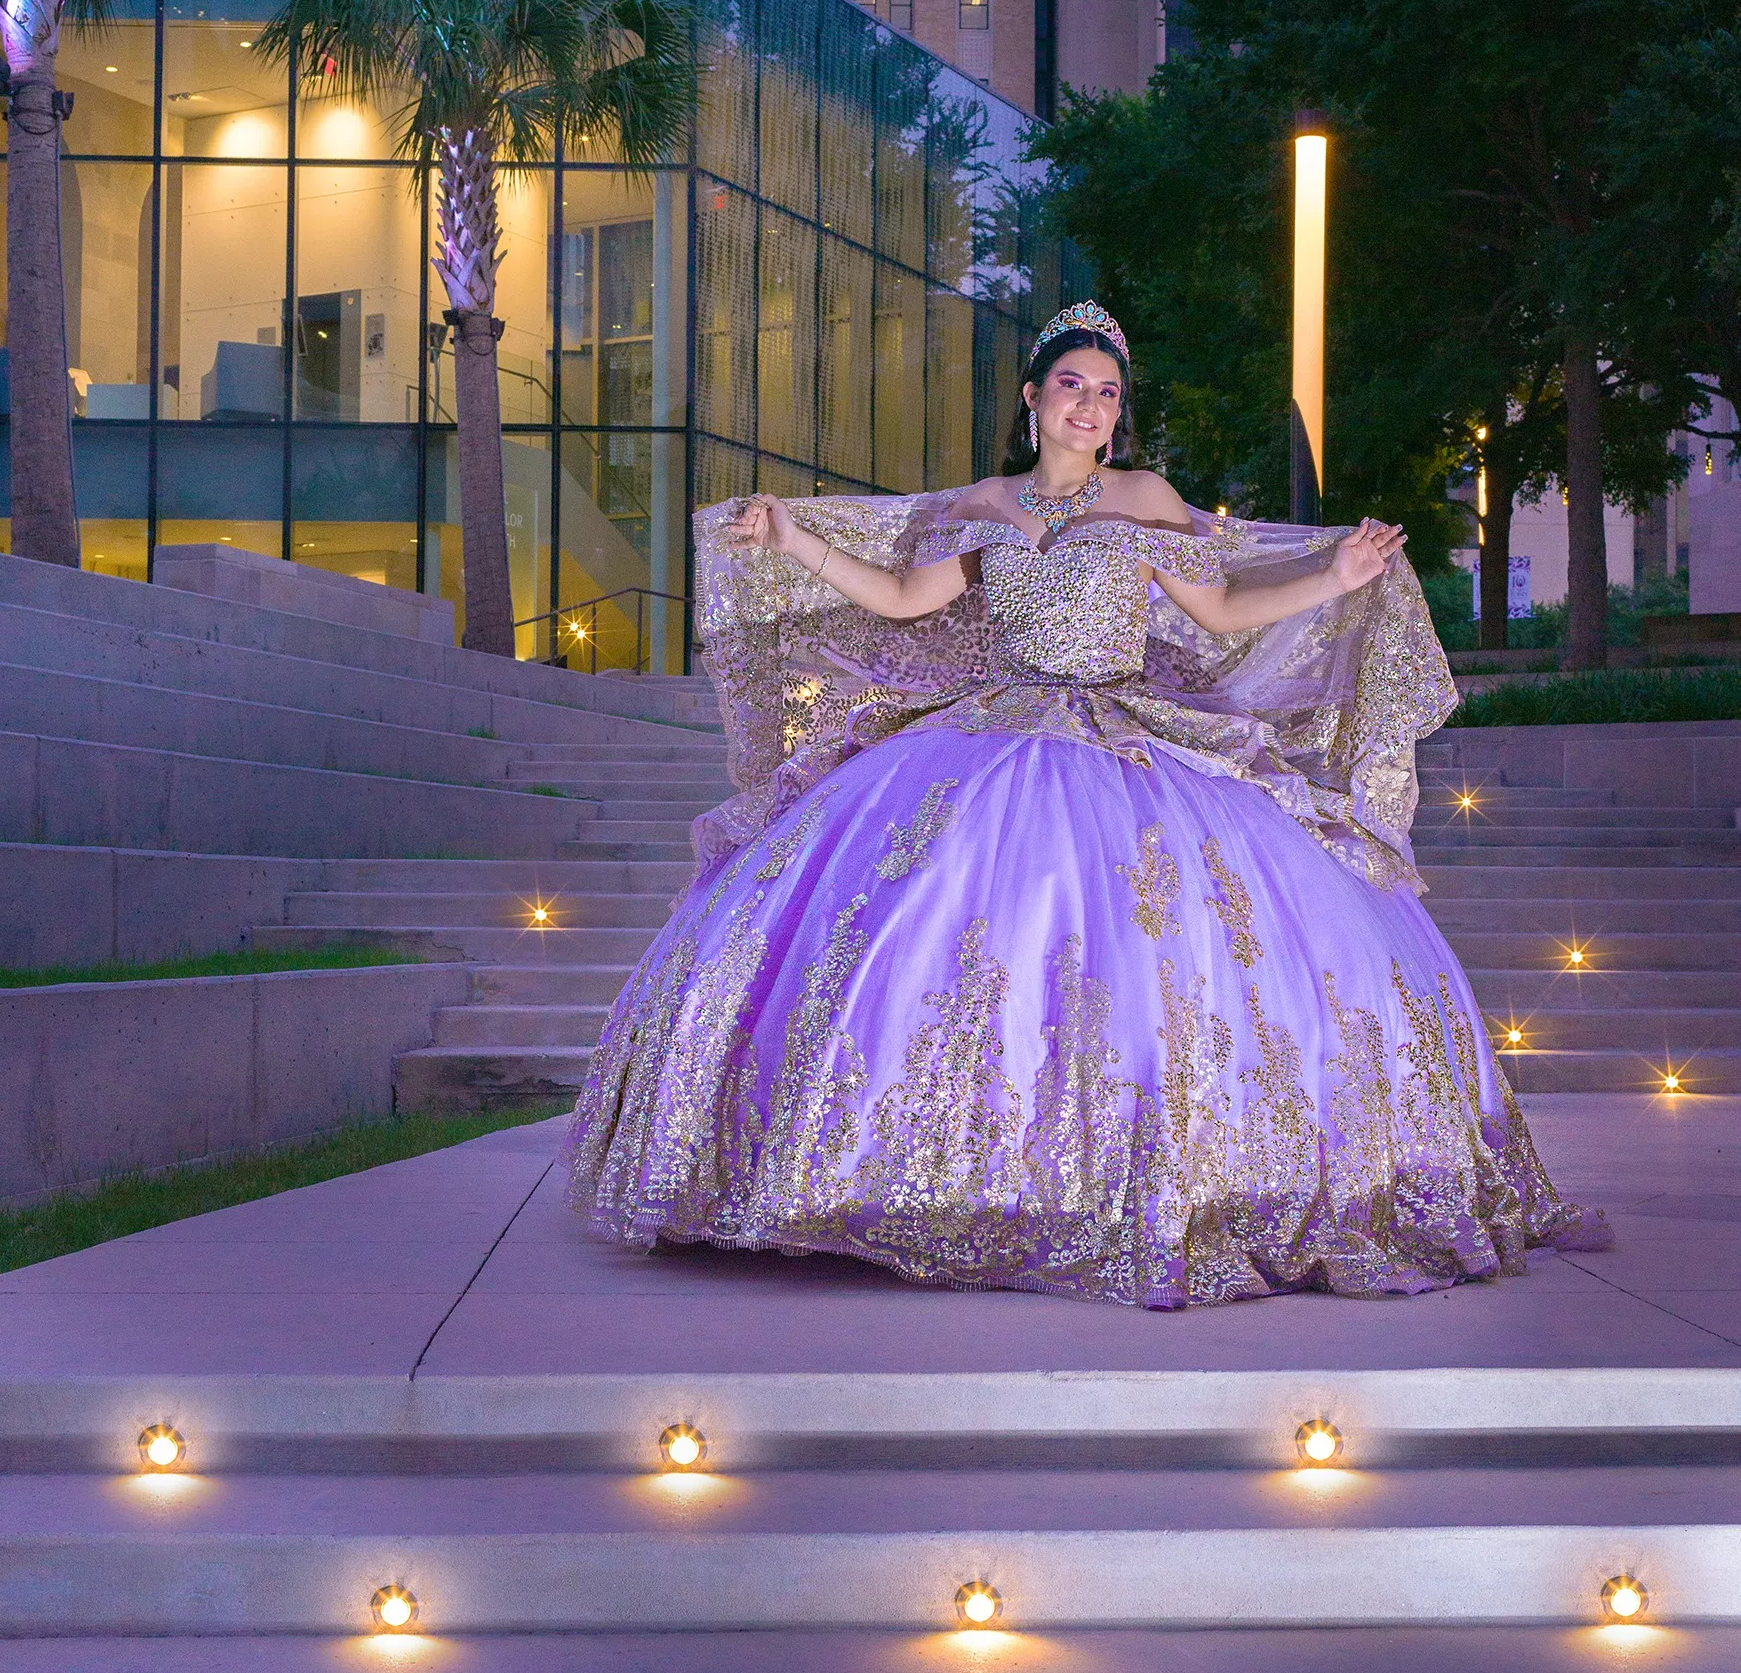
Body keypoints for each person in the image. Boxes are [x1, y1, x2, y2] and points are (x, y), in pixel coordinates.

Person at [565, 301, 1608, 1308]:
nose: (1091, 407)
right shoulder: (985, 506)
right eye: (1072, 386)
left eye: (1108, 394)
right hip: (993, 741)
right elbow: (899, 598)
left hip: (1125, 741)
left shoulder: (1147, 500)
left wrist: (1335, 575)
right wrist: (794, 539)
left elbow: (1228, 609)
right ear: (1032, 396)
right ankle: (920, 1174)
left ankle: (1157, 1174)